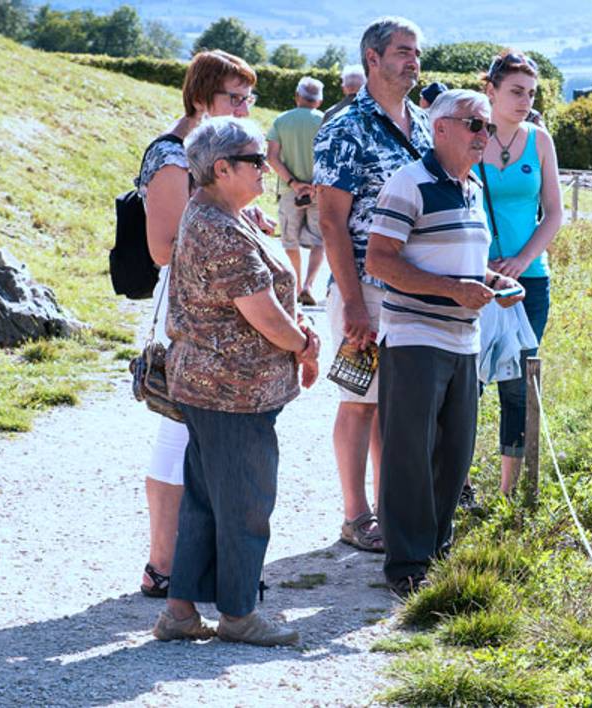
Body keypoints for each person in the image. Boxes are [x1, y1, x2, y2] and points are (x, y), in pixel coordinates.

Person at [153, 116, 320, 646]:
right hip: (231, 392)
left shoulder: (224, 214)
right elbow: (264, 316)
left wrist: (299, 333)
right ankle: (239, 614)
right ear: (221, 169)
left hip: (215, 388)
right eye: (254, 160)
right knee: (247, 503)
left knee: (205, 501)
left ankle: (180, 613)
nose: (265, 167)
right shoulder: (219, 227)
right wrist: (304, 344)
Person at [363, 89, 524, 595]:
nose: (485, 136)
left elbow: (462, 262)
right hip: (414, 335)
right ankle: (406, 565)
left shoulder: (473, 187)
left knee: (454, 452)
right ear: (442, 128)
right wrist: (454, 290)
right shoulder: (408, 183)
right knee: (410, 451)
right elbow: (380, 262)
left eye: (487, 128)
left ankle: (434, 550)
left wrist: (493, 283)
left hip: (464, 339)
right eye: (475, 125)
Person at [133, 49, 262, 600]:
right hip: (187, 306)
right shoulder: (171, 157)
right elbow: (163, 248)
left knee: (193, 431)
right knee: (177, 427)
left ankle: (187, 564)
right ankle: (162, 564)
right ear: (202, 97)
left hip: (209, 304)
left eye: (249, 97)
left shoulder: (209, 154)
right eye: (235, 97)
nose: (244, 107)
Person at [313, 17, 434, 554]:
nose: (413, 61)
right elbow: (332, 221)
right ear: (372, 59)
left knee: (396, 403)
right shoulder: (344, 127)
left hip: (417, 286)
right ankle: (355, 515)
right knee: (360, 398)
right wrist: (354, 301)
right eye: (403, 52)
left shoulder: (425, 125)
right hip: (364, 285)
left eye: (416, 52)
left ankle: (392, 508)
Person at [475, 50, 564, 497]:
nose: (524, 101)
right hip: (471, 277)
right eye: (515, 91)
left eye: (530, 93)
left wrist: (522, 260)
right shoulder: (468, 136)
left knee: (517, 384)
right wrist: (481, 263)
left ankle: (509, 493)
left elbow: (553, 214)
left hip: (528, 282)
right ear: (490, 90)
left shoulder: (539, 140)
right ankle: (457, 485)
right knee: (466, 385)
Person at [268, 77, 326, 305]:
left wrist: (293, 183)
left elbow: (271, 157)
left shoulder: (281, 120)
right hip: (318, 191)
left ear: (297, 96)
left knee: (289, 240)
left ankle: (297, 284)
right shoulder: (325, 121)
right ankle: (309, 286)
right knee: (320, 240)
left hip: (290, 190)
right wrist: (315, 185)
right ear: (319, 100)